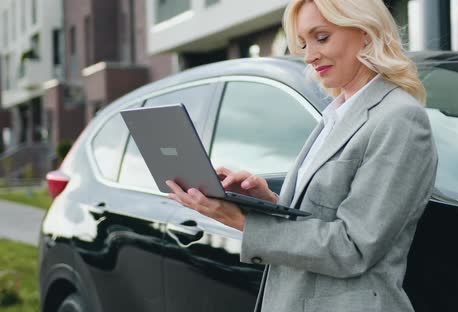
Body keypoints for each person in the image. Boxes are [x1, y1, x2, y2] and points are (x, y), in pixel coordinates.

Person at [166, 0, 438, 311]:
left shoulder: (399, 118)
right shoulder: (335, 115)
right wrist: (266, 203)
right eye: (303, 43)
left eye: (322, 38)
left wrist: (242, 222)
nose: (309, 56)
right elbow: (320, 218)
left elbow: (353, 247)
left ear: (365, 32)